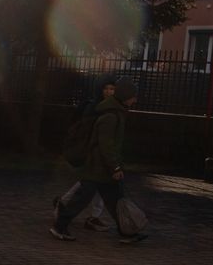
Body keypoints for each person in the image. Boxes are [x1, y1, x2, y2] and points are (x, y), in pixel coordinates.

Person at [52, 77, 145, 243]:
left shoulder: (114, 113)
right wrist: (115, 167)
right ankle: (60, 226)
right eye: (133, 96)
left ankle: (127, 232)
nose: (135, 99)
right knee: (84, 199)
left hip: (101, 168)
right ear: (125, 97)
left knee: (114, 200)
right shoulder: (111, 116)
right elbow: (106, 146)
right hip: (97, 168)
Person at [54, 77, 116, 232]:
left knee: (94, 184)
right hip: (92, 152)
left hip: (98, 152)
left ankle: (88, 213)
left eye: (112, 89)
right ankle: (68, 207)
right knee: (89, 183)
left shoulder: (108, 107)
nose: (108, 92)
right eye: (106, 88)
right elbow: (89, 131)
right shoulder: (96, 107)